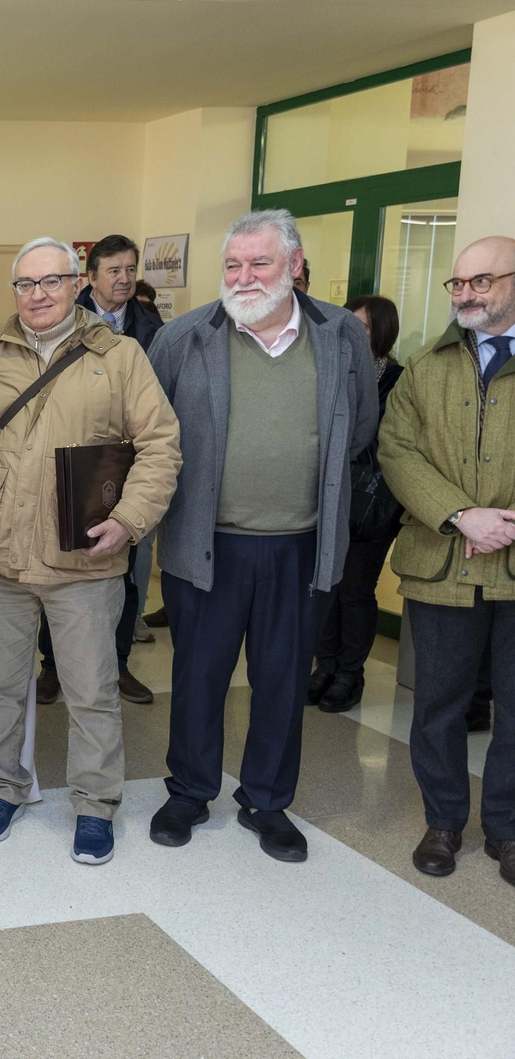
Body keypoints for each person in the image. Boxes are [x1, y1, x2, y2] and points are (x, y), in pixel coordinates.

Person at [0, 238, 180, 865]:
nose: (37, 295)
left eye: (51, 281)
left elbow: (160, 447)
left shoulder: (120, 357)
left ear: (77, 284)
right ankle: (4, 788)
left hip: (85, 561)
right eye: (25, 284)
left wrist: (128, 521)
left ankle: (95, 805)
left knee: (92, 689)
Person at [147, 209, 377, 862]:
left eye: (260, 263)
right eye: (233, 265)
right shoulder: (184, 337)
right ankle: (189, 791)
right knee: (199, 676)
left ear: (295, 265)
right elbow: (152, 432)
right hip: (207, 544)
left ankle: (267, 801)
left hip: (301, 546)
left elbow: (360, 430)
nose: (244, 277)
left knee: (281, 678)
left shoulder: (340, 336)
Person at [378, 235, 515, 886]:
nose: (465, 294)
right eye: (457, 284)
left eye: (481, 281)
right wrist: (463, 515)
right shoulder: (424, 367)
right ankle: (443, 821)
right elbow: (397, 451)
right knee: (438, 703)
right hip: (443, 562)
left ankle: (507, 828)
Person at [39, 235, 165, 706]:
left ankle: (117, 666)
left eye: (131, 269)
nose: (125, 278)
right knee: (62, 570)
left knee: (125, 571)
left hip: (125, 472)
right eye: (114, 270)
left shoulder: (152, 327)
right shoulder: (64, 320)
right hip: (72, 467)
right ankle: (52, 667)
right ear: (88, 278)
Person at [308, 295, 404, 713]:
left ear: (380, 332)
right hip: (328, 495)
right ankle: (324, 666)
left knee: (356, 590)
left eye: (361, 327)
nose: (350, 333)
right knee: (325, 584)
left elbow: (391, 440)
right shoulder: (330, 370)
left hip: (370, 504)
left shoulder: (399, 379)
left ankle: (350, 674)